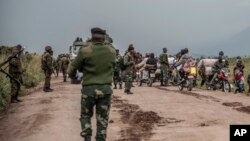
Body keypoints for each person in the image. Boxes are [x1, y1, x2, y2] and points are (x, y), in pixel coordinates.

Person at [67, 27, 116, 141]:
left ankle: (87, 137)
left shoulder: (85, 50)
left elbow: (71, 70)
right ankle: (100, 138)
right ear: (104, 38)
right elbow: (113, 67)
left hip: (88, 89)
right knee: (102, 118)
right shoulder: (111, 51)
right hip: (105, 89)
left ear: (92, 37)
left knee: (85, 115)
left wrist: (74, 77)